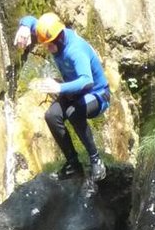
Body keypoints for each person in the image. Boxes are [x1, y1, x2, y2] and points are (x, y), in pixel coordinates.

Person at [13, 12, 110, 181]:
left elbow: (87, 81)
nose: (47, 48)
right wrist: (24, 26)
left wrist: (59, 87)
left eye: (50, 45)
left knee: (74, 112)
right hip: (74, 93)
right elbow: (32, 21)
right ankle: (73, 163)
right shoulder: (52, 33)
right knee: (51, 116)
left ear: (59, 38)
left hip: (97, 95)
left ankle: (96, 160)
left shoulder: (75, 51)